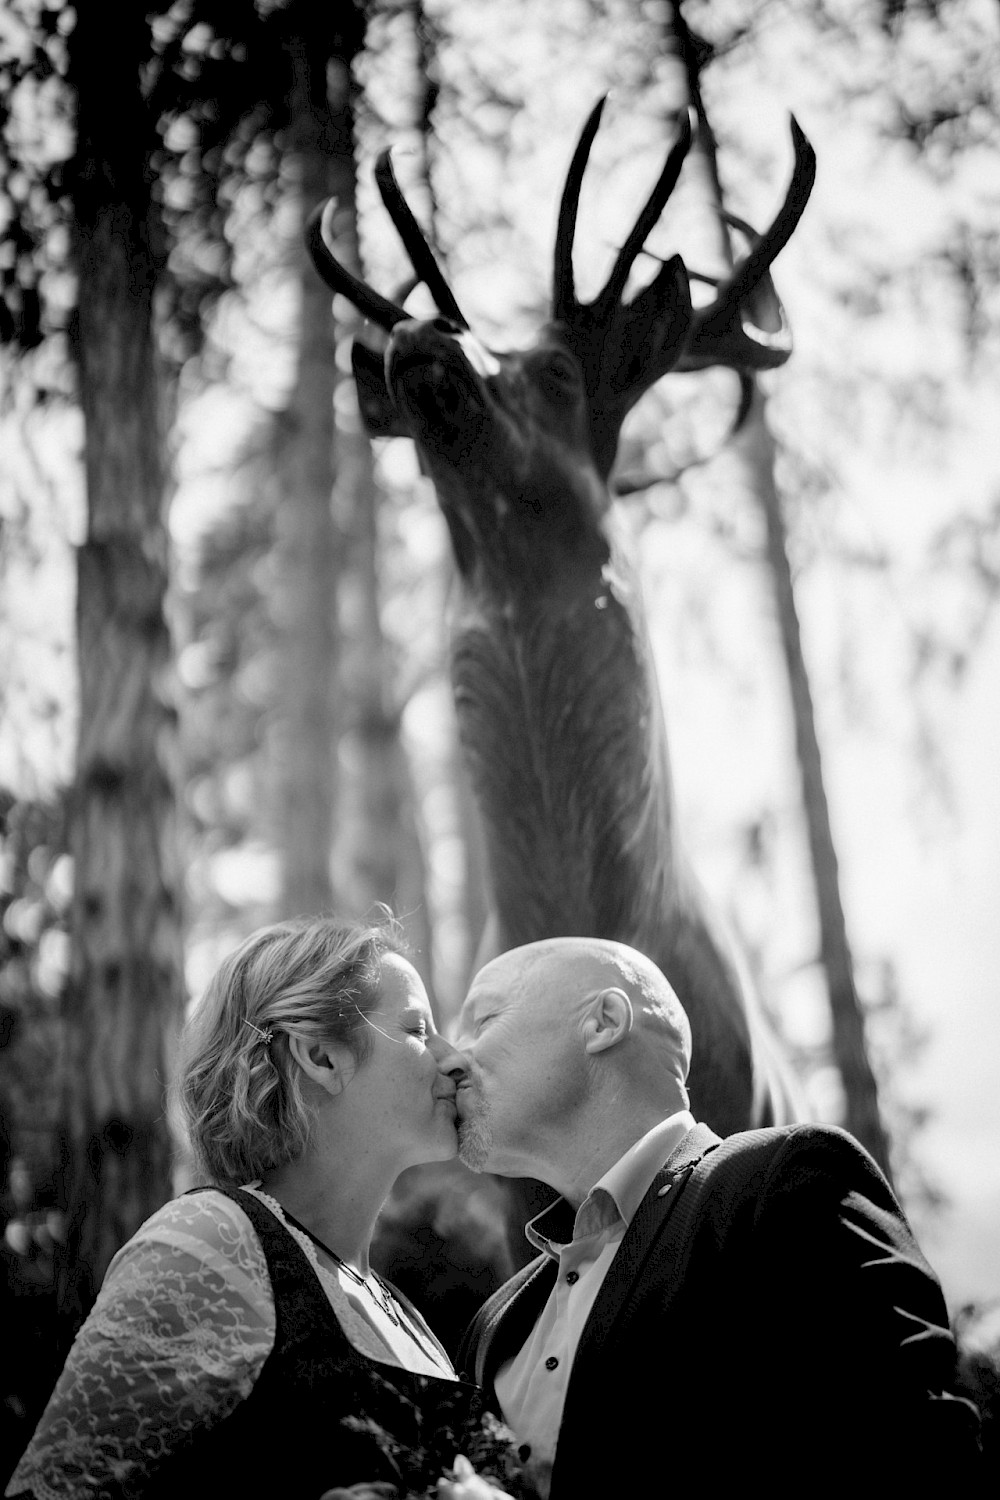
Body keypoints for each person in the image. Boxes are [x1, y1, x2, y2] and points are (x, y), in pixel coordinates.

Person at [5, 914, 522, 1500]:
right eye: (418, 1030)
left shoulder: (404, 1313)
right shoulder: (210, 1246)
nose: (453, 1059)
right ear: (320, 1057)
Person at [452, 936, 983, 1497]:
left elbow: (921, 1457)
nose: (451, 1057)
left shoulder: (786, 1182)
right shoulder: (495, 1323)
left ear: (604, 1021)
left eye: (483, 1021)